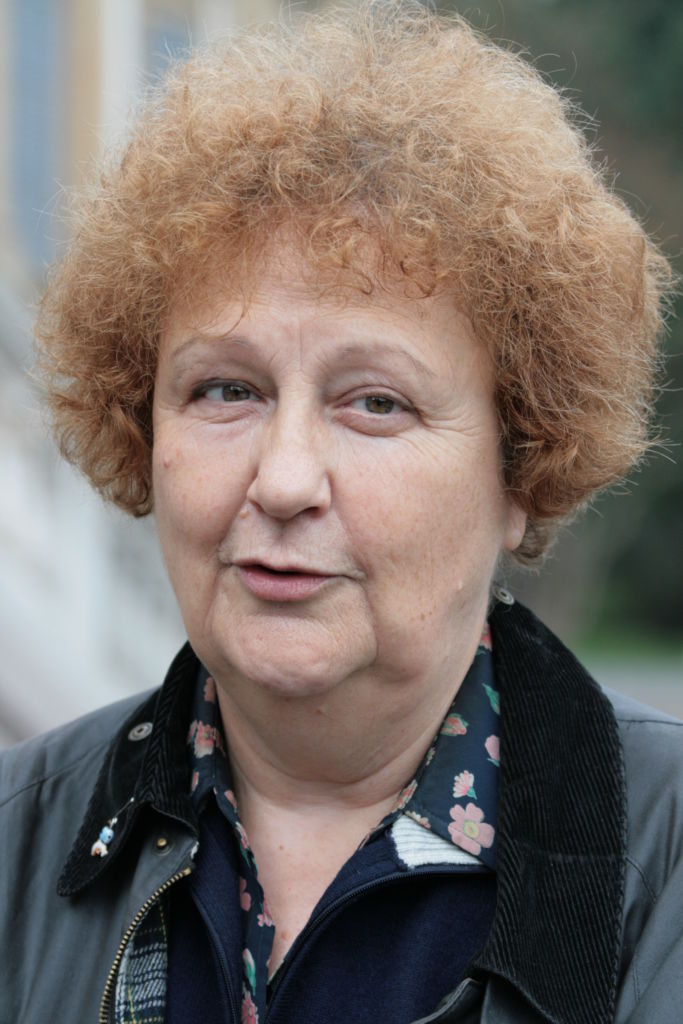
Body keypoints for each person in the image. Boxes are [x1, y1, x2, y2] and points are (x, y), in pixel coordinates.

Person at [1, 2, 681, 1022]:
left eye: (375, 403)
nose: (283, 481)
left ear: (520, 464)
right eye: (226, 389)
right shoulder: (14, 844)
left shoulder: (663, 864)